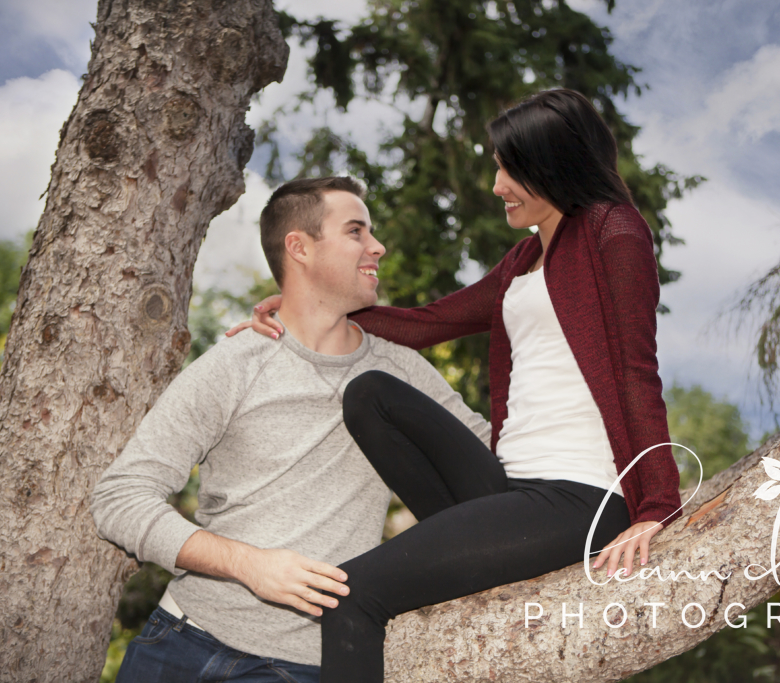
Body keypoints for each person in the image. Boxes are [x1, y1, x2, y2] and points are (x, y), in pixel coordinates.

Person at [233, 88, 684, 682]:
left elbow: (635, 370)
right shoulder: (522, 260)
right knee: (370, 394)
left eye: (508, 168)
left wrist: (656, 507)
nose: (497, 185)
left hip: (582, 495)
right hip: (506, 486)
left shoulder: (613, 230)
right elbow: (429, 323)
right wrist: (306, 307)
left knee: (350, 595)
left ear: (552, 163)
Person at [90, 177, 490, 683]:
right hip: (180, 644)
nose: (377, 246)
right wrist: (248, 565)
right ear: (298, 247)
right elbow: (120, 497)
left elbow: (494, 456)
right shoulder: (238, 360)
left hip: (303, 668)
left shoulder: (402, 372)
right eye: (355, 231)